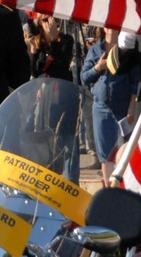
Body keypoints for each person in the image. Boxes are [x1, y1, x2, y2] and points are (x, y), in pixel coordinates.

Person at [81, 25, 133, 184]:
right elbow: (84, 77)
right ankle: (109, 191)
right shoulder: (95, 50)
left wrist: (132, 106)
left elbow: (135, 82)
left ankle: (124, 186)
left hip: (123, 109)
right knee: (105, 153)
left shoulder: (128, 50)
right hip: (101, 108)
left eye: (115, 24)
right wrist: (98, 67)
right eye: (109, 24)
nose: (112, 28)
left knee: (125, 150)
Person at [26, 12, 75, 80]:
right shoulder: (37, 41)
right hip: (42, 86)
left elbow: (61, 66)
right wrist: (33, 48)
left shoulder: (67, 39)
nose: (50, 23)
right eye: (46, 20)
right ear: (40, 23)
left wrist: (53, 39)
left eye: (53, 19)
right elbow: (34, 72)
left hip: (59, 85)